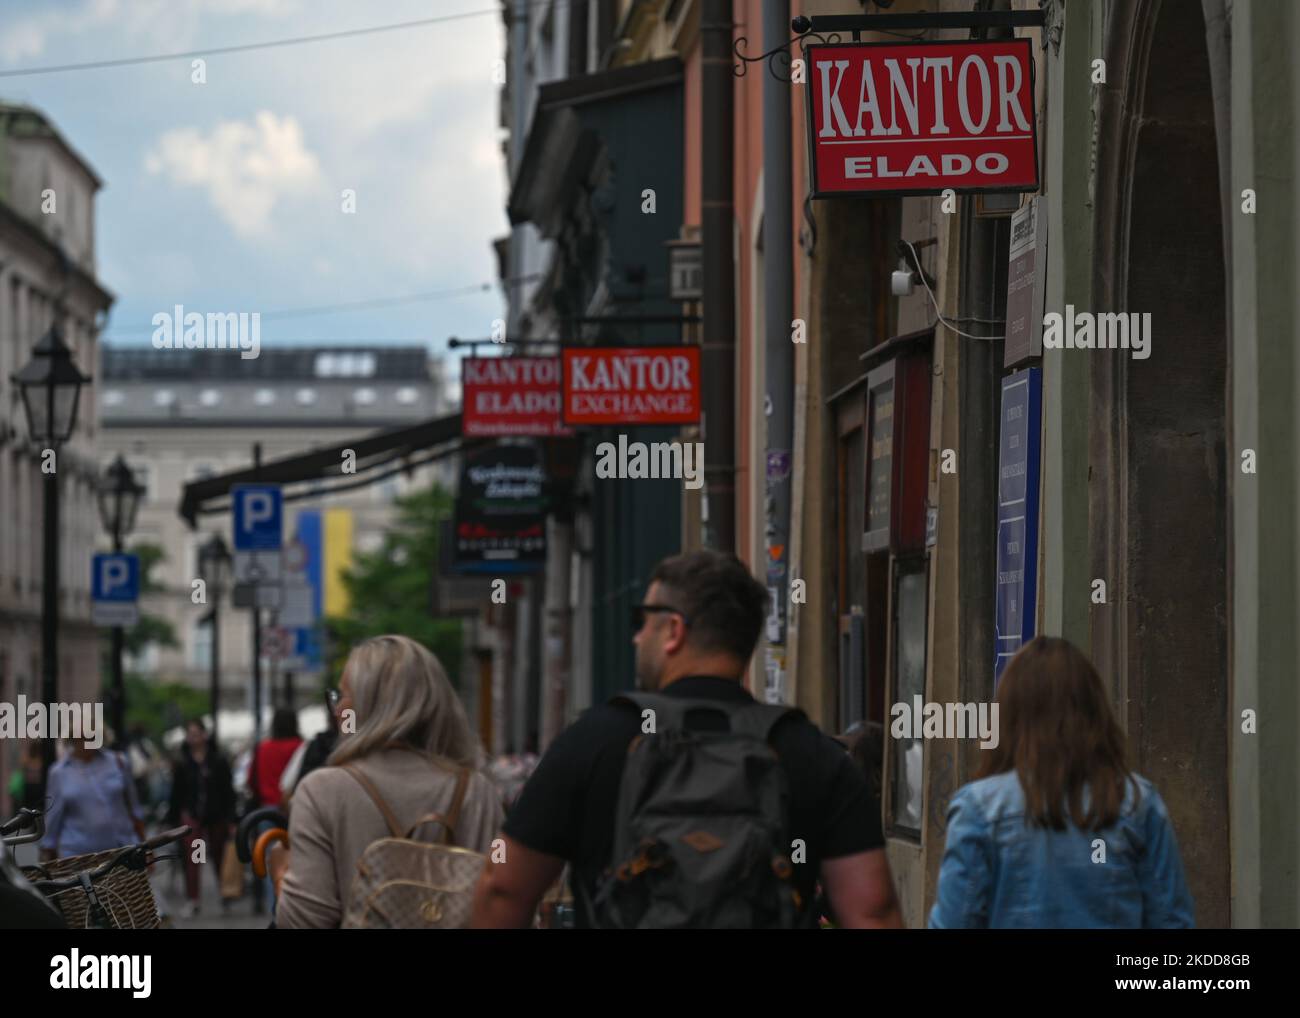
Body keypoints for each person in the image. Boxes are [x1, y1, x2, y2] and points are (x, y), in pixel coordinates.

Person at [471, 549, 903, 929]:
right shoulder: (809, 753)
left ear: (674, 630)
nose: (636, 636)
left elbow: (504, 887)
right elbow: (872, 911)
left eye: (643, 621)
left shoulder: (595, 741)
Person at [928, 636, 1195, 929]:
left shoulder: (978, 809)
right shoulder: (1136, 801)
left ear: (1008, 717)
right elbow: (1171, 921)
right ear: (1095, 713)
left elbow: (954, 922)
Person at [271, 635, 503, 929]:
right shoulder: (475, 791)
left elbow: (304, 920)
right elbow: (501, 896)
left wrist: (280, 873)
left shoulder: (322, 792)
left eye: (343, 697)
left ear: (370, 708)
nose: (338, 709)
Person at [166, 719, 236, 918]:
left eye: (196, 733)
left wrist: (231, 819)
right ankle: (194, 899)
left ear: (205, 735)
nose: (193, 738)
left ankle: (225, 895)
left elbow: (228, 791)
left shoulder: (218, 760)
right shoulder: (183, 763)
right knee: (194, 858)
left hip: (216, 817)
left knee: (219, 856)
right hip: (193, 817)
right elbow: (176, 793)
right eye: (190, 734)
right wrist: (174, 820)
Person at [40, 738, 145, 861]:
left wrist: (145, 847)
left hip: (124, 851)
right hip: (79, 859)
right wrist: (47, 849)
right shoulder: (59, 772)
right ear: (73, 737)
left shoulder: (118, 762)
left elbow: (134, 808)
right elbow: (54, 815)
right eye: (82, 735)